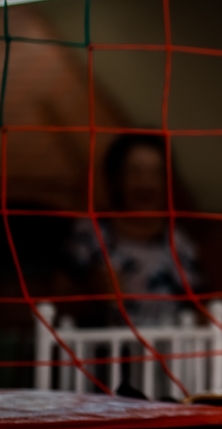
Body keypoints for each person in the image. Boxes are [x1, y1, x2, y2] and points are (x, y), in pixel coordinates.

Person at [68, 134, 201, 327]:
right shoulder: (90, 232)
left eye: (156, 172)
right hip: (103, 352)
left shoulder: (179, 240)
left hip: (168, 352)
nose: (146, 182)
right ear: (116, 179)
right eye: (135, 171)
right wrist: (93, 290)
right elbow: (58, 301)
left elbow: (201, 306)